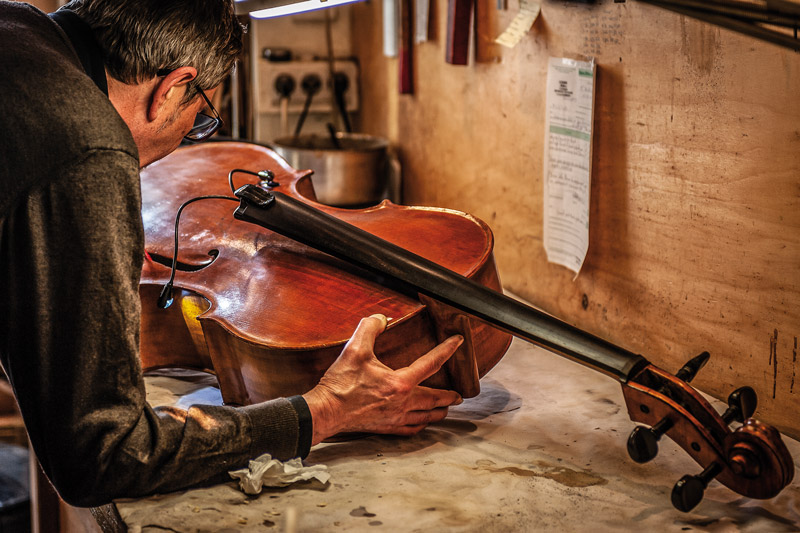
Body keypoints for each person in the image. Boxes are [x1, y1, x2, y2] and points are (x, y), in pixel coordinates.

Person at [0, 0, 463, 507]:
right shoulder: (87, 145)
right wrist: (325, 410)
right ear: (174, 86)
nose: (185, 143)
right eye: (198, 120)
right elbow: (105, 454)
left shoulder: (17, 24)